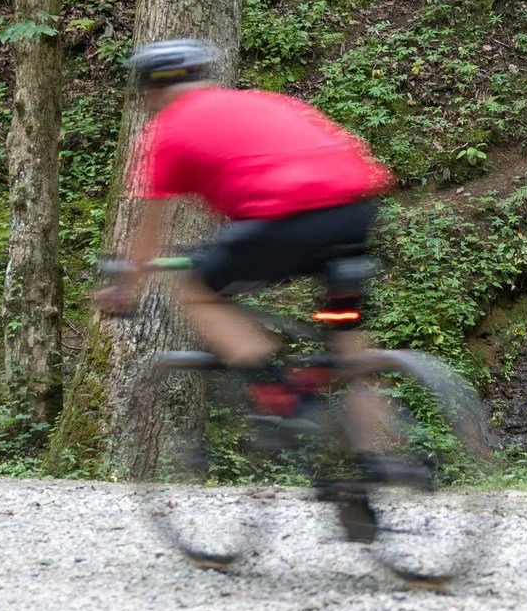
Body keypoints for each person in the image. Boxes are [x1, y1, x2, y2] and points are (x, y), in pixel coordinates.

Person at [94, 38, 401, 538]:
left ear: (150, 91)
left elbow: (149, 233)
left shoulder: (164, 131)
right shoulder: (261, 100)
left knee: (196, 289)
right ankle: (370, 474)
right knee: (346, 349)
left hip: (285, 221)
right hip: (355, 210)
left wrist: (126, 285)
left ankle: (275, 387)